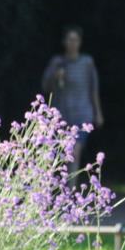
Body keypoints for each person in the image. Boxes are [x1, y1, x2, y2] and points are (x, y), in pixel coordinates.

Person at [41, 25, 104, 179]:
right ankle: (52, 190)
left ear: (80, 42)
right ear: (64, 42)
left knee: (74, 153)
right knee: (57, 155)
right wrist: (55, 76)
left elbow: (93, 88)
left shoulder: (87, 62)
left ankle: (69, 192)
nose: (72, 43)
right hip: (61, 115)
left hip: (83, 115)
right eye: (70, 39)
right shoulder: (57, 62)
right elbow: (45, 87)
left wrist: (98, 113)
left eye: (75, 40)